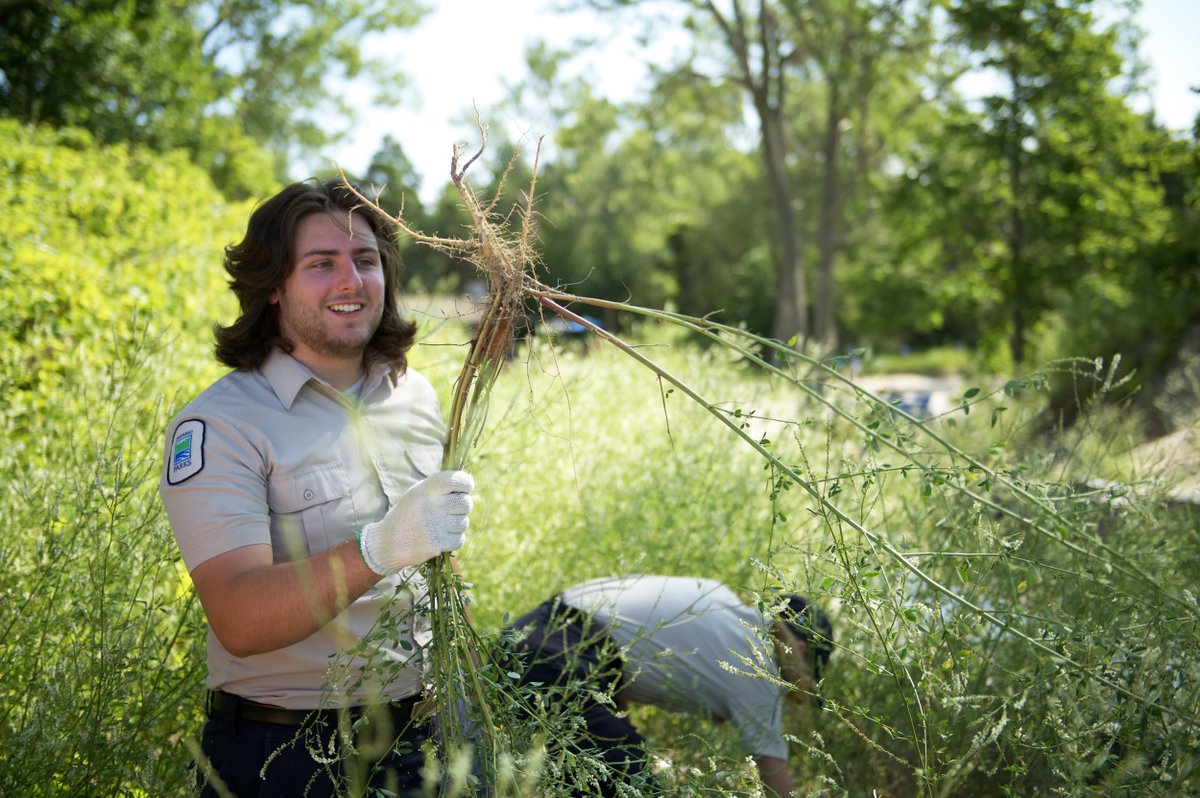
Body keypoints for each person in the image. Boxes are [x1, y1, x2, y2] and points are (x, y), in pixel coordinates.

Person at [159, 179, 475, 797]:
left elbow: (438, 560)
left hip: (422, 740)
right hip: (288, 758)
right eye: (320, 264)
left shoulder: (414, 394)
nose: (351, 281)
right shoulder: (222, 424)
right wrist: (377, 548)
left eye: (365, 260)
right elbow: (241, 621)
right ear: (274, 287)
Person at [503, 574, 833, 797]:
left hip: (526, 639)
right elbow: (773, 774)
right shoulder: (757, 664)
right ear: (800, 650)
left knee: (596, 773)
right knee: (629, 784)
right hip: (562, 656)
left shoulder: (719, 596)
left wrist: (623, 738)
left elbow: (614, 672)